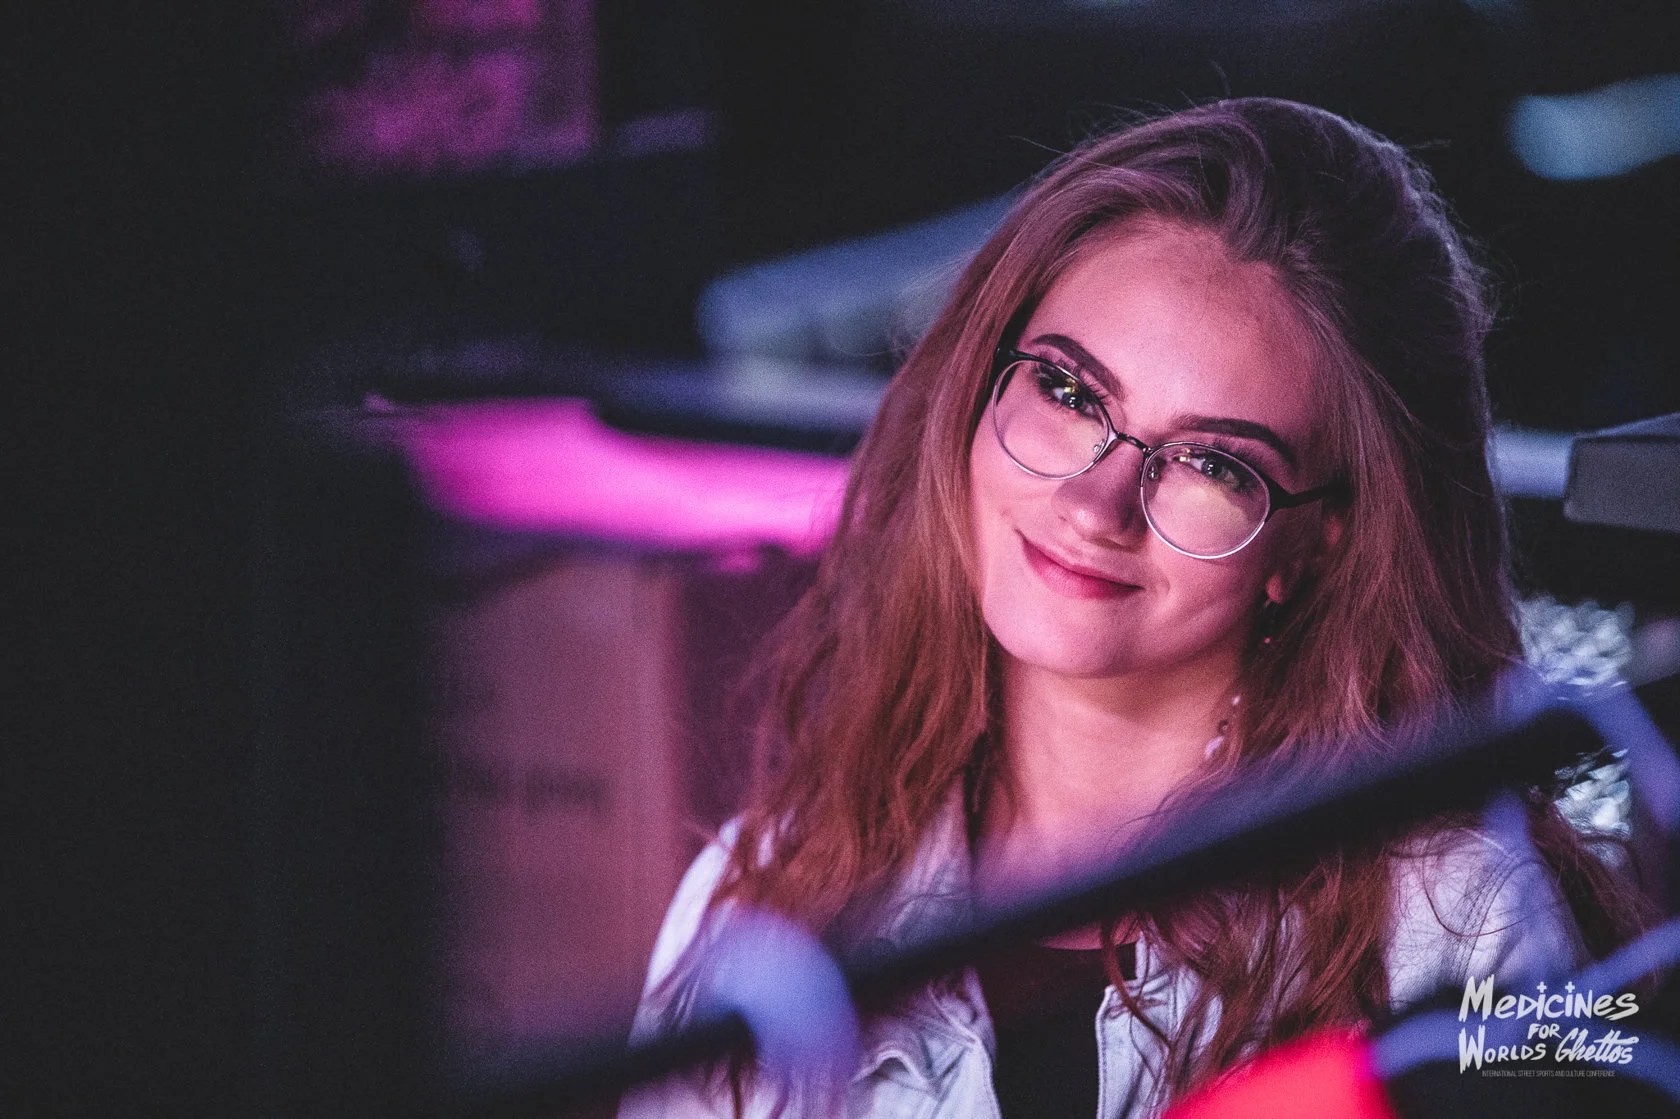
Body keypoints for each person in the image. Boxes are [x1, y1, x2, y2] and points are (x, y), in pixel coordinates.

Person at [619, 98, 1649, 1118]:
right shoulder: (764, 898)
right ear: (981, 386)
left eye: (1212, 464)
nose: (1095, 504)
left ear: (1318, 541)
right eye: (1071, 395)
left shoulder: (1456, 925)